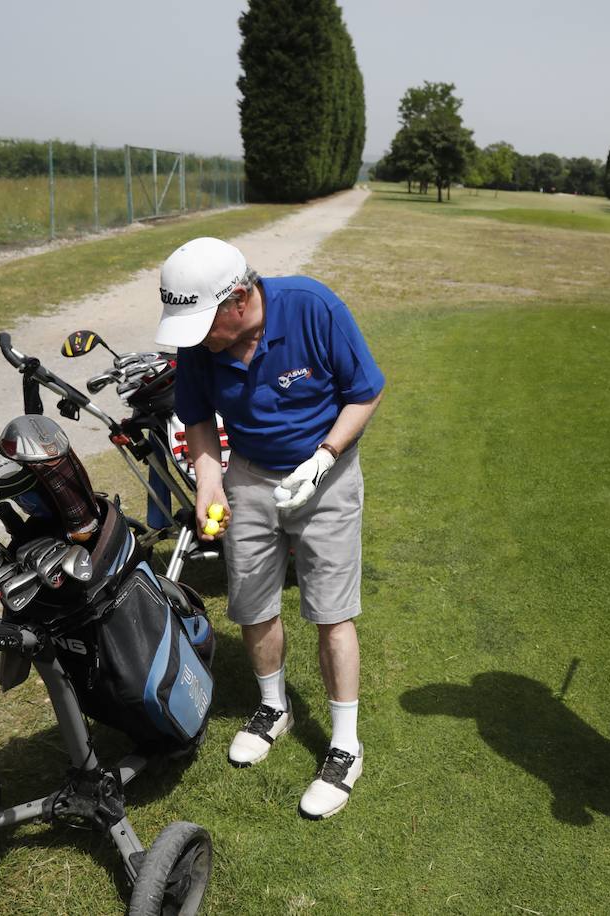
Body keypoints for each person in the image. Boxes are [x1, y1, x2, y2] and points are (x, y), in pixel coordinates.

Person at [152, 237, 385, 820]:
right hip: (250, 476)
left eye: (205, 321)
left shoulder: (313, 305)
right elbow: (199, 419)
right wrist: (210, 483)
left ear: (239, 299)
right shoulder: (202, 342)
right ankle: (273, 708)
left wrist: (324, 457)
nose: (199, 336)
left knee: (332, 613)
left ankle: (344, 745)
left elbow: (366, 391)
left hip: (325, 475)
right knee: (252, 604)